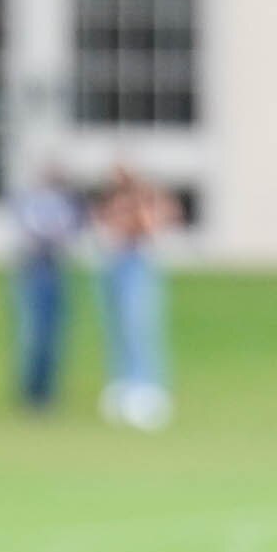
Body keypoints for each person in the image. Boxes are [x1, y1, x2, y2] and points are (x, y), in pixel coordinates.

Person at [94, 164, 180, 430]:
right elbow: (105, 223)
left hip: (137, 261)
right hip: (113, 261)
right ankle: (123, 384)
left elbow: (152, 225)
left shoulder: (147, 199)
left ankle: (147, 388)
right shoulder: (111, 199)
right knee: (116, 328)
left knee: (138, 326)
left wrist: (136, 208)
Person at [11, 164, 82, 413]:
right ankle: (32, 393)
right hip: (34, 268)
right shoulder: (32, 200)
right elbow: (31, 229)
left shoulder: (65, 202)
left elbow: (70, 229)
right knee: (33, 333)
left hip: (55, 267)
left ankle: (48, 393)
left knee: (54, 335)